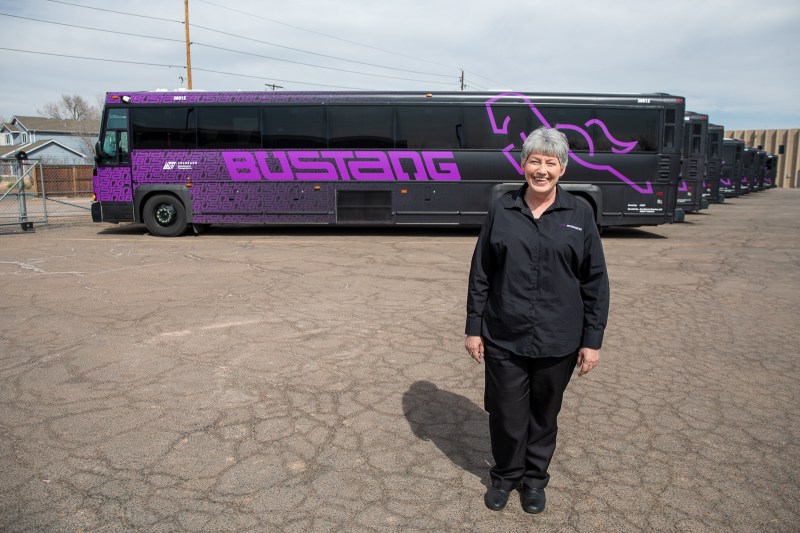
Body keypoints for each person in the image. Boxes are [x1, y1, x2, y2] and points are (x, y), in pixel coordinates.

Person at [465, 126, 609, 514]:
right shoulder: (503, 208)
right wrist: (474, 328)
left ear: (562, 168)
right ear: (523, 164)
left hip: (559, 338)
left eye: (550, 162)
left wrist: (592, 340)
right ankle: (505, 476)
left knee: (544, 415)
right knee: (506, 414)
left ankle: (533, 481)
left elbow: (595, 280)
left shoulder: (579, 213)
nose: (541, 169)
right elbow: (482, 271)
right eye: (534, 160)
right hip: (504, 334)